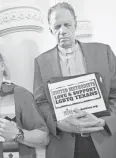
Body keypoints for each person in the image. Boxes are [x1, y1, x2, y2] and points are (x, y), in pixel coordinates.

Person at [33, 2, 116, 158]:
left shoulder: (103, 51)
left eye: (67, 25)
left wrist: (105, 121)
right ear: (50, 30)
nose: (62, 31)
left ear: (75, 25)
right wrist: (58, 124)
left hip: (103, 139)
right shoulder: (41, 62)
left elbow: (115, 93)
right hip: (64, 143)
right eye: (57, 27)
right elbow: (40, 102)